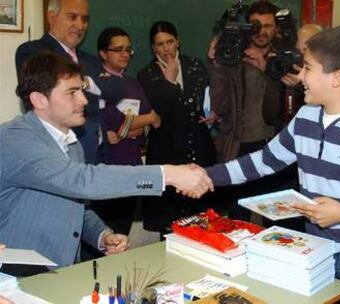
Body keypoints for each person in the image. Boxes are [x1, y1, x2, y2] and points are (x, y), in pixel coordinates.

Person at [206, 26, 340, 303]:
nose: (300, 76)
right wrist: (205, 176)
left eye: (308, 68)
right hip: (317, 251)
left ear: (337, 78)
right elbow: (264, 161)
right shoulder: (305, 118)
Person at [0, 53, 213, 268]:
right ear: (38, 99)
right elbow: (81, 181)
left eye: (82, 90)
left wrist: (102, 236)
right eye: (71, 93)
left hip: (59, 275)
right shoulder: (16, 139)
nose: (84, 100)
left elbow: (76, 206)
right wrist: (168, 174)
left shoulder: (71, 144)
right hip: (14, 278)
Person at [207, 0, 294, 221]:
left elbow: (284, 110)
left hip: (275, 147)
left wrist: (268, 70)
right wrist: (217, 65)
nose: (261, 31)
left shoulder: (286, 59)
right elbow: (219, 106)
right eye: (255, 25)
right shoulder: (232, 58)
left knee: (275, 218)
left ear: (276, 28)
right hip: (239, 147)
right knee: (238, 217)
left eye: (267, 25)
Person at [136, 21, 217, 236]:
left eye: (170, 42)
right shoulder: (147, 75)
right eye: (160, 44)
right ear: (153, 48)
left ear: (177, 41)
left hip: (197, 146)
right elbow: (162, 115)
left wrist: (214, 112)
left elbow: (200, 103)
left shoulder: (194, 65)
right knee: (170, 221)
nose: (166, 48)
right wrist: (170, 83)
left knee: (201, 216)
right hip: (166, 150)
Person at [15, 0, 102, 164]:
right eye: (72, 17)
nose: (80, 25)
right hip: (59, 156)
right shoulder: (33, 52)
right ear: (52, 17)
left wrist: (87, 83)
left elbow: (116, 88)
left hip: (99, 154)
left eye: (84, 19)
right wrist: (92, 84)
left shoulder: (92, 61)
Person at [93, 27, 161, 235]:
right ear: (103, 53)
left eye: (128, 50)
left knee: (123, 232)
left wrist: (132, 127)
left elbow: (155, 120)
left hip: (132, 165)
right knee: (104, 234)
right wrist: (136, 123)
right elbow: (113, 125)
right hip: (106, 168)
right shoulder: (94, 84)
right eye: (118, 49)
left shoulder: (133, 83)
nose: (125, 54)